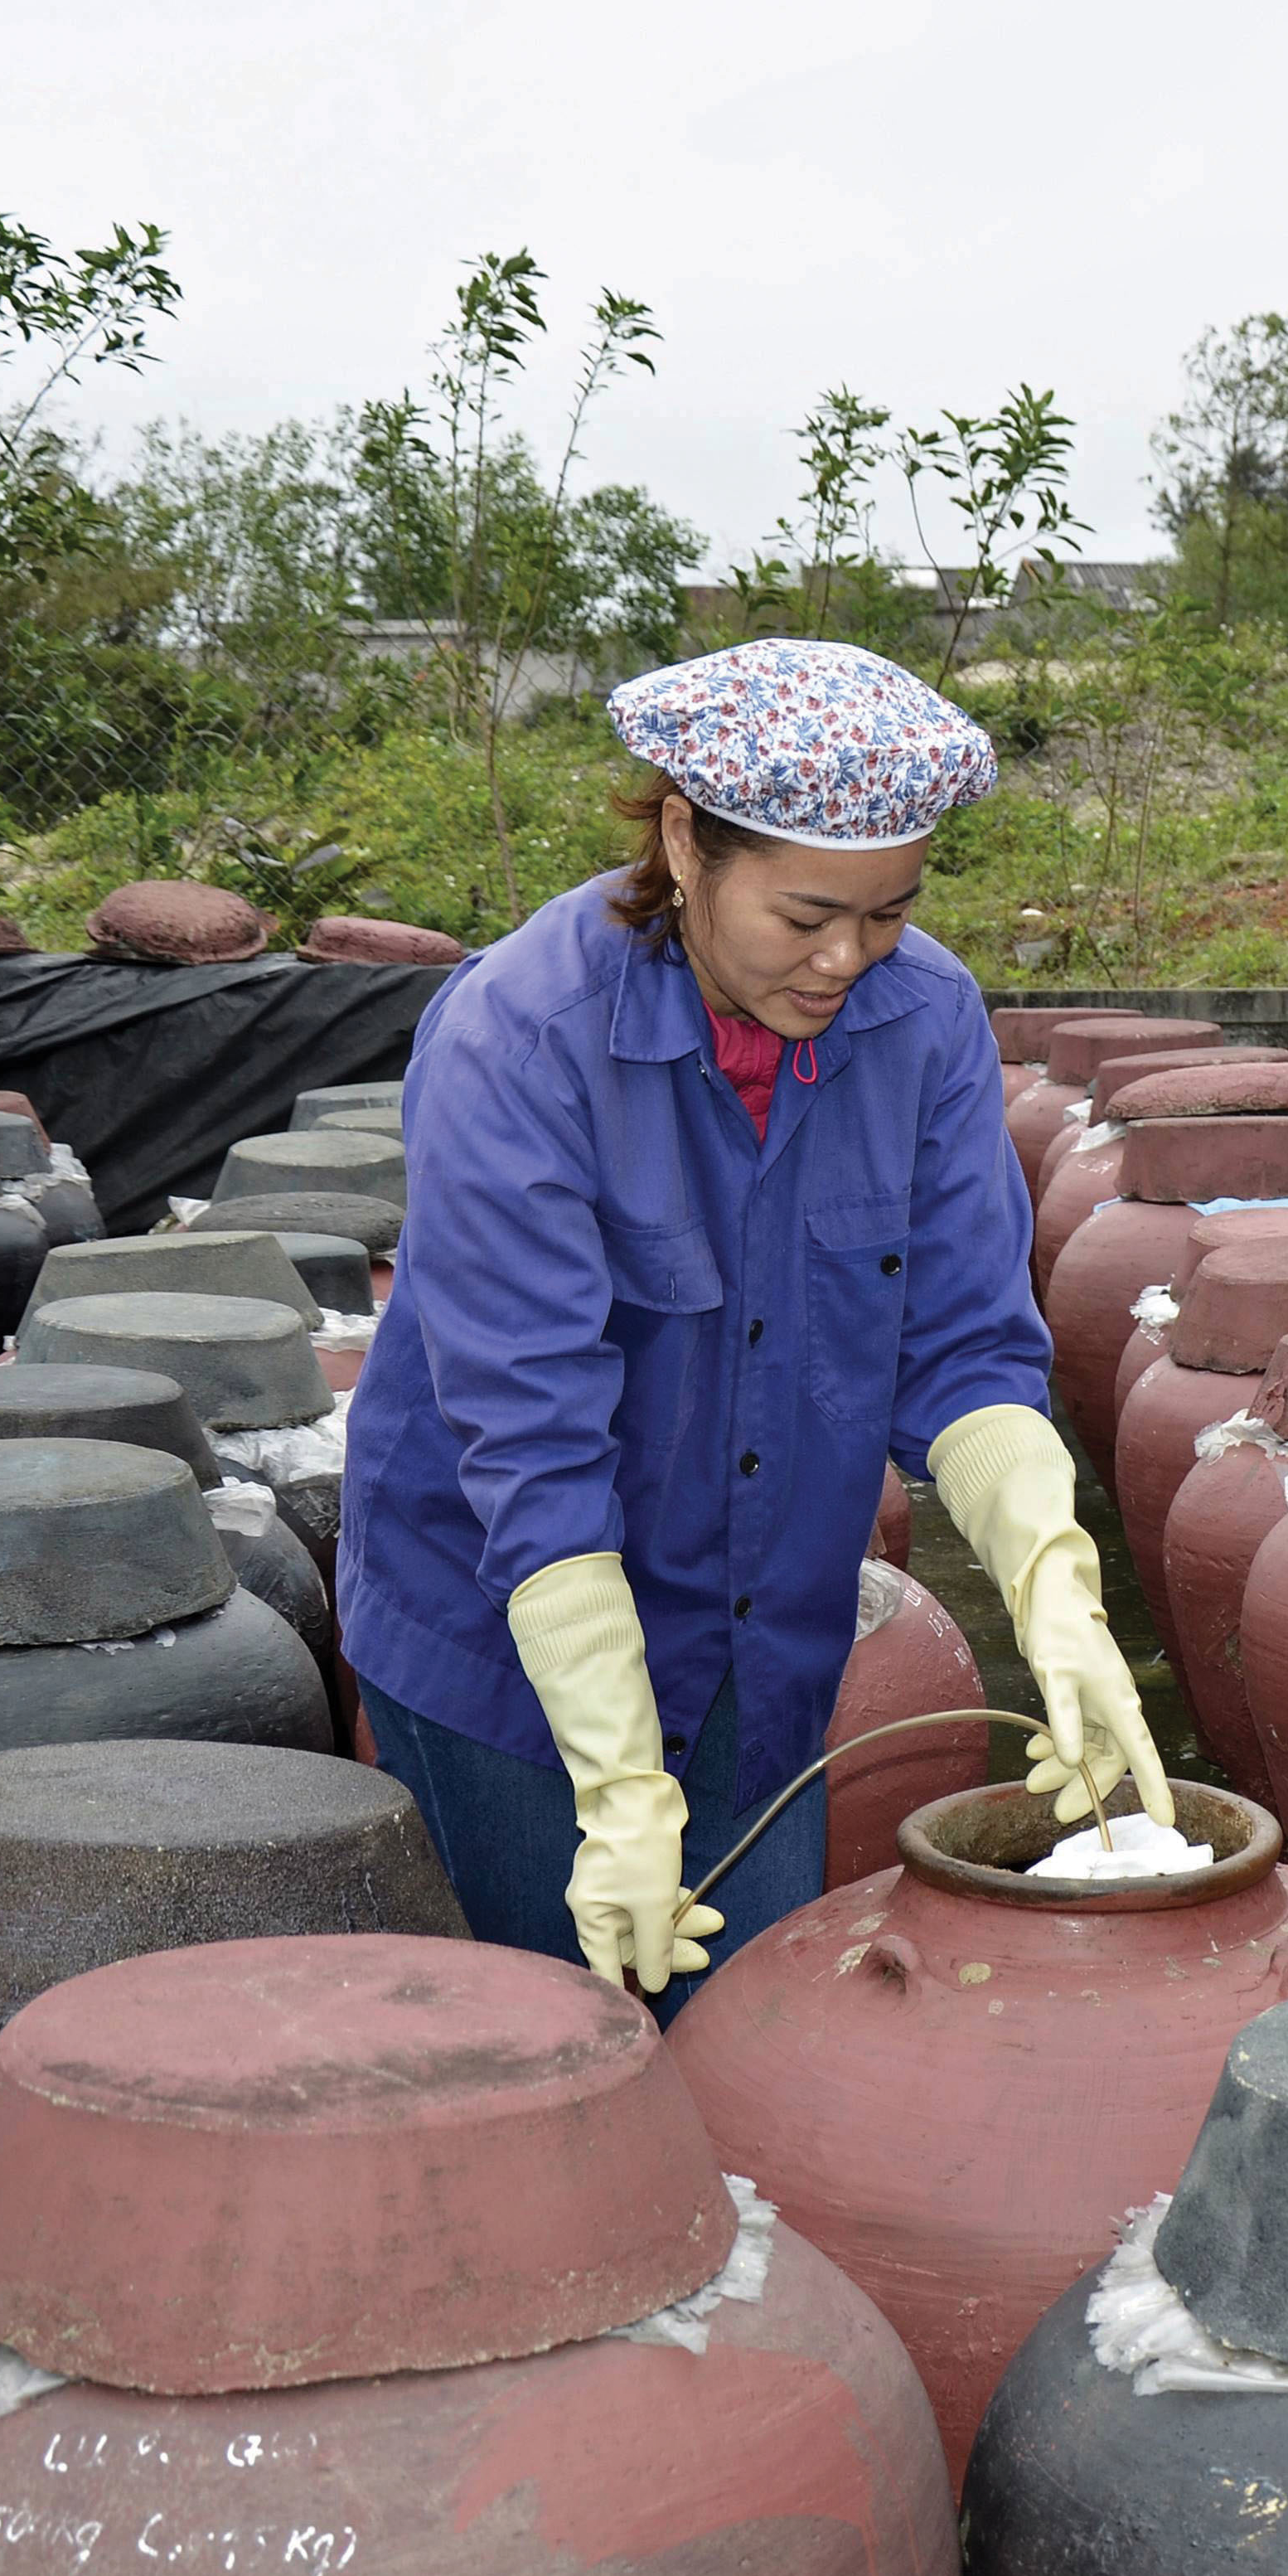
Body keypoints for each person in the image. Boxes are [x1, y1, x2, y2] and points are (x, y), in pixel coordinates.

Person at [337, 638, 1168, 2009]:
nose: (847, 959)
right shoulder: (520, 1040)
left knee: (741, 2023)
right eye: (804, 917)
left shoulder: (926, 1020)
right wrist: (616, 1783)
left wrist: (1052, 1590)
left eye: (887, 913)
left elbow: (965, 1344)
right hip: (514, 1642)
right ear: (682, 840)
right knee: (566, 2048)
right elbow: (533, 1452)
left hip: (762, 1628)